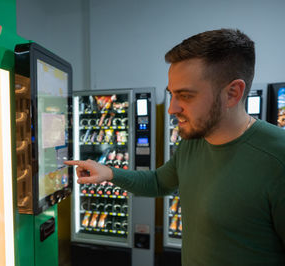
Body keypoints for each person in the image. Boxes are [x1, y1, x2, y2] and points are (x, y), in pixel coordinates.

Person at [65, 28, 285, 265]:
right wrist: (109, 173)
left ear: (232, 93)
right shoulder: (193, 141)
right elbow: (159, 182)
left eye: (186, 96)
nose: (172, 109)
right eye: (172, 94)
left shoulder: (277, 159)